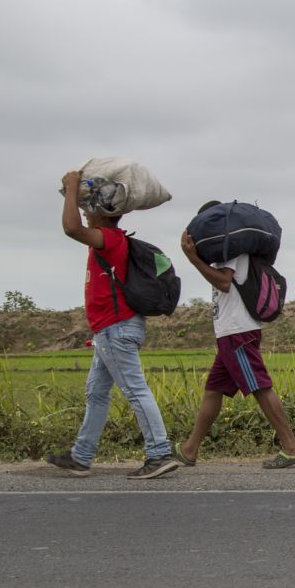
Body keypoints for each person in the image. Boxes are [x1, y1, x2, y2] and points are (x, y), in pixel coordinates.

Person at [46, 170, 180, 480]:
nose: (83, 211)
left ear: (101, 214)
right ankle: (81, 456)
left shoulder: (108, 239)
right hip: (109, 331)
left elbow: (70, 228)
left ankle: (159, 453)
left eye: (87, 207)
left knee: (134, 390)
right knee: (96, 393)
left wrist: (70, 189)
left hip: (115, 329)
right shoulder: (109, 241)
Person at [174, 201, 295, 470]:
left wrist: (194, 259)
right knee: (213, 391)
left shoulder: (233, 252)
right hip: (230, 333)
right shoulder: (230, 253)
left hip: (238, 332)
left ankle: (292, 447)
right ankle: (190, 449)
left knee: (259, 386)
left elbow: (223, 283)